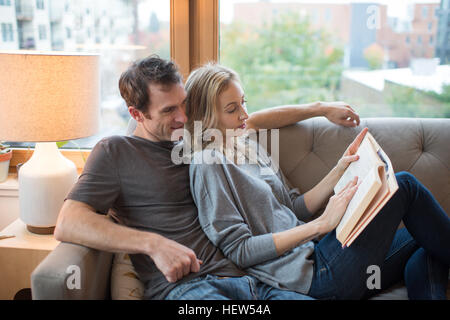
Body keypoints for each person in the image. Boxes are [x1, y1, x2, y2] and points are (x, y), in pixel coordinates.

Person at [54, 55, 361, 300]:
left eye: (184, 104)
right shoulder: (116, 152)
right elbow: (69, 222)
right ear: (137, 114)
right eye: (169, 110)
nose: (183, 117)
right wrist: (153, 245)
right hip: (189, 288)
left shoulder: (196, 135)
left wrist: (321, 108)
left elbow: (251, 119)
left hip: (253, 280)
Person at [186, 63, 450, 300]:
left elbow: (293, 207)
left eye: (244, 102)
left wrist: (339, 169)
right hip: (315, 275)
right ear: (205, 118)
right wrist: (321, 225)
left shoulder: (248, 145)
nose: (245, 115)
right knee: (405, 186)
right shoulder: (207, 164)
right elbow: (240, 250)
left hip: (323, 252)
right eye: (232, 109)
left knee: (426, 238)